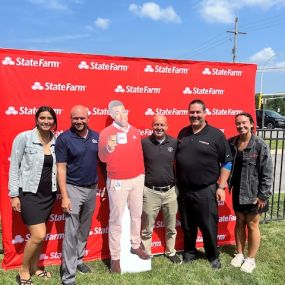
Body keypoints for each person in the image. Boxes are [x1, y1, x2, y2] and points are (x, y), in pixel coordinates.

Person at [176, 99, 232, 269]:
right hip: (185, 190)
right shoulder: (183, 133)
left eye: (198, 112)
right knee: (187, 225)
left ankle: (213, 256)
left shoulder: (216, 135)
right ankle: (190, 252)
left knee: (208, 225)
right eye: (191, 112)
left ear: (205, 113)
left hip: (206, 190)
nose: (194, 115)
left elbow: (227, 162)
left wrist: (221, 186)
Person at [98, 100, 150, 274]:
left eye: (124, 111)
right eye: (117, 112)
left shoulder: (135, 131)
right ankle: (115, 258)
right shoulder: (106, 133)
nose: (122, 115)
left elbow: (139, 156)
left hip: (137, 179)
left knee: (136, 215)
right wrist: (108, 148)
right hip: (117, 180)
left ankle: (135, 245)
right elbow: (102, 157)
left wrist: (141, 175)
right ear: (112, 115)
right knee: (116, 220)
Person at [9, 106, 58, 285]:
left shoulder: (56, 140)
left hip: (48, 195)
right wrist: (14, 195)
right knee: (38, 235)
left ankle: (36, 267)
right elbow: (14, 166)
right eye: (42, 118)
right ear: (36, 119)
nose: (46, 121)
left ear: (54, 121)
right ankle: (23, 270)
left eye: (50, 118)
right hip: (29, 193)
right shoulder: (24, 138)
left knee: (41, 236)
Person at [55, 105, 99, 285]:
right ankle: (68, 276)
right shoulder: (64, 138)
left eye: (82, 118)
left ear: (88, 118)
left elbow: (105, 160)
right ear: (71, 119)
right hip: (73, 188)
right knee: (71, 232)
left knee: (84, 227)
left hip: (92, 188)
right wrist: (64, 195)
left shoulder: (97, 137)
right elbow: (61, 167)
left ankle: (79, 259)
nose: (79, 121)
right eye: (75, 118)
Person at [228, 112, 272, 273]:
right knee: (239, 222)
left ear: (252, 124)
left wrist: (263, 195)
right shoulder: (232, 142)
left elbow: (267, 172)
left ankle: (251, 259)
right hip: (238, 190)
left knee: (252, 225)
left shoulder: (260, 145)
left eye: (244, 123)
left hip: (254, 193)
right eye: (238, 123)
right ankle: (239, 253)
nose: (241, 126)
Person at [141, 115, 181, 264]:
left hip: (170, 191)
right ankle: (146, 253)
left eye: (162, 125)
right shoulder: (144, 143)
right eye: (156, 125)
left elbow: (181, 165)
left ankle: (171, 252)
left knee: (171, 225)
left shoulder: (174, 143)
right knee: (147, 227)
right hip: (150, 191)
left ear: (167, 127)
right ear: (152, 126)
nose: (159, 128)